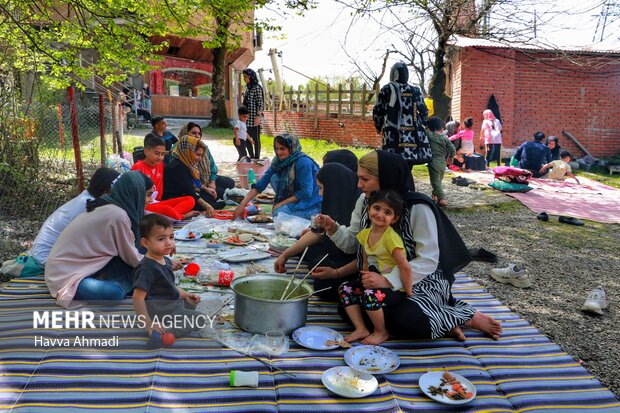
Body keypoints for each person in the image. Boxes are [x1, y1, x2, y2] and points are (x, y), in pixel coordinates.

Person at [275, 150, 502, 342]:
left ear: (385, 178)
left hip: (417, 280)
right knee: (344, 307)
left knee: (409, 322)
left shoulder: (416, 208)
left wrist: (389, 280)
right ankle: (435, 319)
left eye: (365, 179)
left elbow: (428, 260)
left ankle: (459, 316)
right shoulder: (365, 202)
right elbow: (354, 246)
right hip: (378, 278)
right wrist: (333, 228)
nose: (358, 185)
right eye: (358, 178)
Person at [45, 172, 154, 307]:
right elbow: (131, 256)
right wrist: (159, 266)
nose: (152, 200)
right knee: (114, 293)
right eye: (148, 195)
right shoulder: (117, 215)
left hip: (82, 266)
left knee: (140, 262)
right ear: (136, 193)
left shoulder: (112, 207)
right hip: (65, 274)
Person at [339, 190, 413, 345]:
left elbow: (405, 267)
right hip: (375, 281)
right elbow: (365, 261)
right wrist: (363, 280)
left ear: (394, 219)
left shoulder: (391, 239)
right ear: (369, 209)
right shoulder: (365, 234)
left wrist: (409, 292)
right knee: (345, 288)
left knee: (370, 296)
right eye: (377, 208)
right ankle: (361, 328)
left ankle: (381, 331)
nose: (380, 214)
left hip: (394, 287)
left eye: (387, 212)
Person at [30, 167, 120, 267]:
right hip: (48, 258)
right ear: (106, 191)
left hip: (45, 253)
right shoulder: (89, 205)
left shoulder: (87, 198)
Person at [133, 214, 202, 339]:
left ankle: (171, 323)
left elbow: (169, 285)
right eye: (161, 239)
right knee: (199, 318)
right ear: (146, 243)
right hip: (160, 313)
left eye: (171, 237)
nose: (169, 243)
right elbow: (137, 298)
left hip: (170, 305)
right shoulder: (146, 268)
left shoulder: (165, 260)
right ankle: (165, 332)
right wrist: (147, 323)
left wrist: (185, 295)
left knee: (191, 302)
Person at [232, 133, 322, 220]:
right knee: (273, 177)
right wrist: (242, 204)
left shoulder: (303, 162)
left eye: (282, 149)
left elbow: (306, 192)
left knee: (278, 213)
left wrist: (281, 203)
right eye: (276, 148)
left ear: (292, 148)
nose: (278, 152)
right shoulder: (277, 161)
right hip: (297, 199)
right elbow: (261, 183)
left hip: (311, 203)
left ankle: (312, 216)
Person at [373, 62, 430, 170]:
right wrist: (423, 123)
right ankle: (407, 184)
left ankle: (396, 184)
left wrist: (378, 126)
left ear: (394, 73)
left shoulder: (386, 89)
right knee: (409, 164)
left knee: (393, 163)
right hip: (413, 134)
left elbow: (378, 110)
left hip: (392, 133)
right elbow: (423, 110)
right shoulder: (415, 90)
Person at [131, 134, 200, 221]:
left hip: (158, 202)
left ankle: (168, 216)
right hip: (144, 205)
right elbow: (134, 193)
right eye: (156, 153)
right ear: (146, 152)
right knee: (167, 210)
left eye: (162, 154)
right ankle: (179, 216)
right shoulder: (138, 167)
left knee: (190, 200)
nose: (160, 157)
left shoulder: (160, 164)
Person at [181, 122, 235, 209]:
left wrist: (212, 182)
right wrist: (204, 189)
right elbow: (188, 184)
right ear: (185, 133)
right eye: (193, 133)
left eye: (199, 133)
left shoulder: (203, 147)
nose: (197, 136)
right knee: (219, 193)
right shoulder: (182, 150)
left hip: (204, 180)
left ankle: (214, 197)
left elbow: (212, 166)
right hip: (191, 187)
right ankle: (212, 200)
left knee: (230, 182)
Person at [163, 135, 217, 217]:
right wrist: (207, 206)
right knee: (197, 200)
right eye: (198, 155)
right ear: (188, 152)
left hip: (186, 194)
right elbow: (190, 191)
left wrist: (204, 188)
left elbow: (190, 185)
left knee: (212, 194)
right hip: (175, 199)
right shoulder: (177, 167)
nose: (200, 158)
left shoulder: (186, 163)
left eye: (201, 156)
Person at [427, 116, 456, 207]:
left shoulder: (428, 134)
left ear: (429, 127)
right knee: (439, 180)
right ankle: (435, 195)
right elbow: (452, 149)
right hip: (443, 162)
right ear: (441, 128)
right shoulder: (444, 138)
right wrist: (451, 157)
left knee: (435, 181)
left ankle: (441, 198)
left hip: (433, 161)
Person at [242, 68, 264, 158]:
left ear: (251, 77)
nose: (244, 78)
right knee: (247, 137)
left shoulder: (257, 87)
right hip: (247, 118)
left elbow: (260, 102)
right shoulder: (247, 87)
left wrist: (258, 116)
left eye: (245, 77)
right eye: (243, 77)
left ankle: (257, 158)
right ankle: (251, 155)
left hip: (255, 118)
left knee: (256, 139)